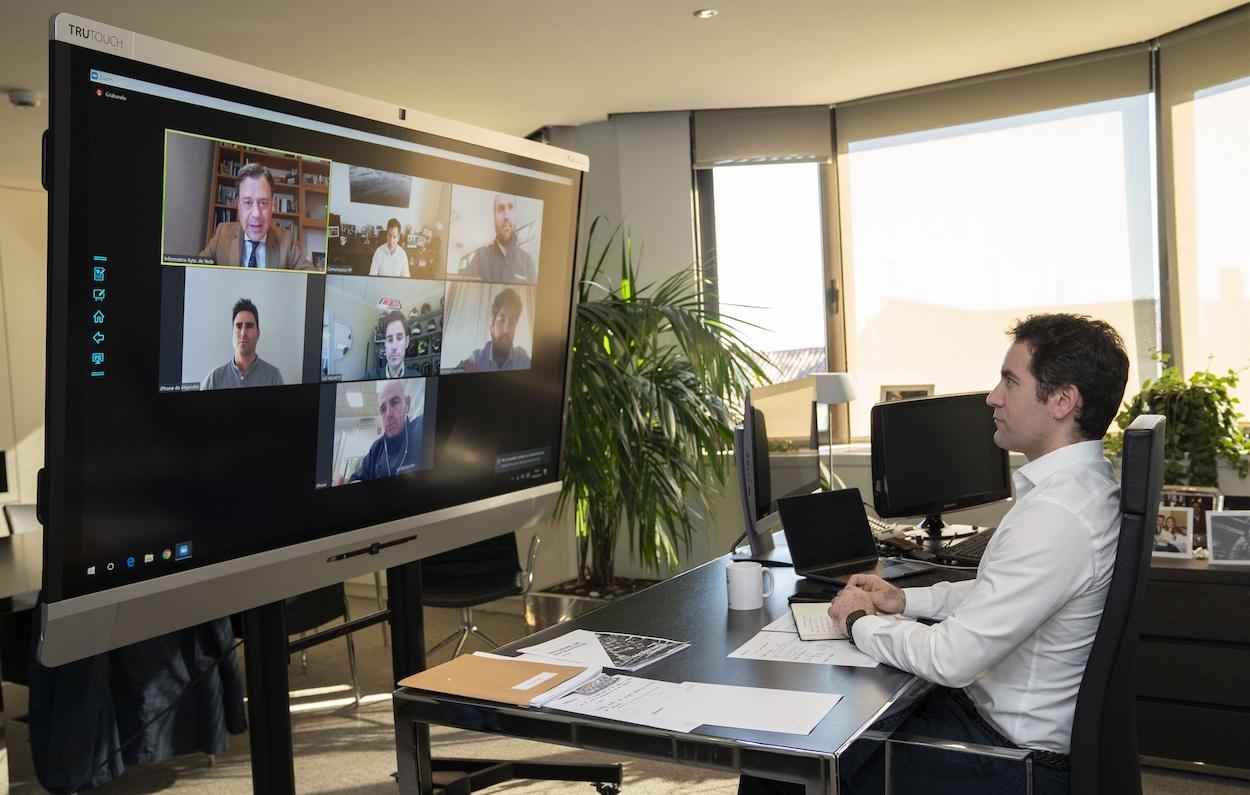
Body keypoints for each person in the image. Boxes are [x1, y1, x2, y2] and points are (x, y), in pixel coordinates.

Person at [742, 314, 1129, 795]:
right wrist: (905, 603)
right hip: (999, 727)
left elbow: (950, 660)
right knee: (833, 722)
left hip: (1011, 762)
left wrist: (860, 621)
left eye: (1010, 380)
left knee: (780, 764)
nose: (993, 396)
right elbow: (1001, 592)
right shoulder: (1085, 491)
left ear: (1062, 400)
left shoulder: (1055, 519)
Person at [200, 162, 314, 270]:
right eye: (248, 202)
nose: (256, 214)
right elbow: (196, 271)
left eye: (263, 203)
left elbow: (311, 278)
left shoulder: (286, 241)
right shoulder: (222, 234)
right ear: (239, 205)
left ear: (272, 205)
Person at [343, 380, 424, 482]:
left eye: (394, 403)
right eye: (383, 409)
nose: (388, 414)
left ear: (407, 404)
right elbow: (357, 478)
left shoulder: (420, 428)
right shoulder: (376, 449)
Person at [202, 299, 284, 389]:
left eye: (249, 326)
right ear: (232, 334)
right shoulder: (214, 380)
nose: (243, 333)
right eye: (239, 326)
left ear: (258, 334)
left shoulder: (273, 377)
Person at [461, 193, 536, 283]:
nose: (506, 216)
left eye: (510, 207)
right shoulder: (480, 257)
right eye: (500, 209)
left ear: (515, 217)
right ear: (494, 220)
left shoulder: (528, 262)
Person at [458, 288, 531, 372]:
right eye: (502, 320)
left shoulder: (522, 360)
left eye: (512, 322)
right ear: (492, 325)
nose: (506, 330)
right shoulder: (476, 359)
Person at [364, 310, 416, 379]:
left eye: (399, 338)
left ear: (406, 342)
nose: (394, 347)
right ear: (385, 343)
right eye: (390, 340)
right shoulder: (370, 378)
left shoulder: (417, 378)